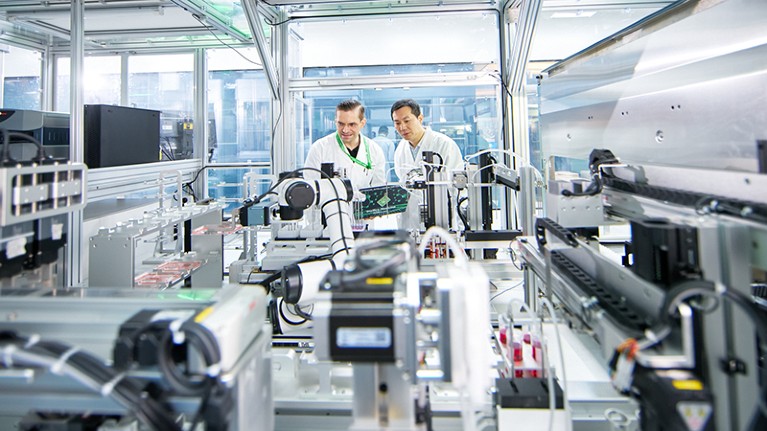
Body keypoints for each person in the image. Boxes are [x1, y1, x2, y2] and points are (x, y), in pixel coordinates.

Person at [391, 98, 463, 231]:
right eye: (397, 123)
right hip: (410, 225)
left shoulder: (444, 145)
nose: (402, 127)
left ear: (420, 118)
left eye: (407, 121)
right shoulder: (400, 149)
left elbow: (456, 189)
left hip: (442, 222)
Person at [304, 99, 386, 192]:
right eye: (341, 124)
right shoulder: (320, 148)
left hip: (362, 205)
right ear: (336, 121)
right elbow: (310, 187)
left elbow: (379, 188)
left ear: (362, 123)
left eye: (352, 124)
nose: (345, 130)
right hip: (330, 206)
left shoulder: (374, 150)